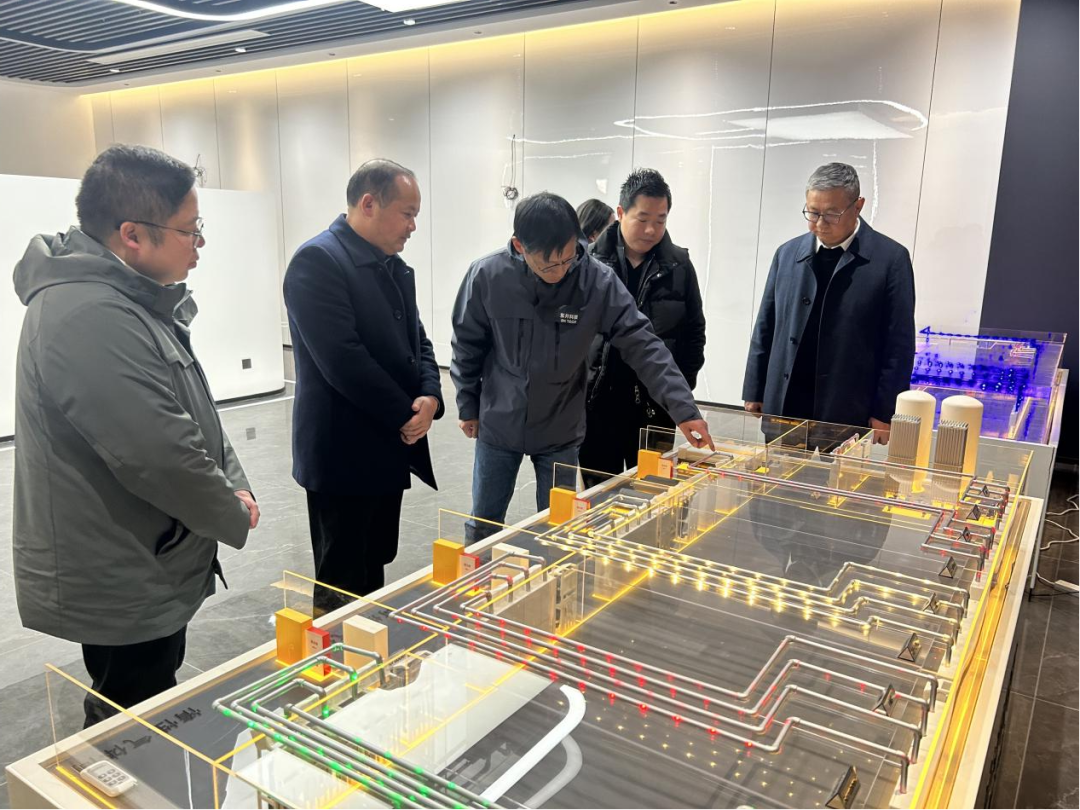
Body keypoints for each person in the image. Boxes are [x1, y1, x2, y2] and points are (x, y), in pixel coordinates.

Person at [12, 144, 259, 728]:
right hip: (121, 568)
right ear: (132, 235)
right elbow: (158, 453)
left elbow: (192, 413)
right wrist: (228, 508)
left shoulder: (130, 300)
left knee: (146, 701)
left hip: (148, 553)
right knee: (131, 720)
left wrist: (234, 480)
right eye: (190, 229)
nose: (200, 243)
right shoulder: (89, 314)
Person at [451, 192, 713, 539]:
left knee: (560, 524)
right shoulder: (487, 274)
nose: (560, 271)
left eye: (568, 258)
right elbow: (467, 346)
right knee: (485, 521)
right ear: (519, 246)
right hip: (499, 421)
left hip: (560, 427)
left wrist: (683, 408)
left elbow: (643, 343)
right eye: (548, 265)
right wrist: (467, 405)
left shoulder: (596, 280)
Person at [284, 159, 443, 613]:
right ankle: (337, 652)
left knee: (375, 561)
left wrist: (430, 397)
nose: (413, 226)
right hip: (343, 453)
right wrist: (406, 414)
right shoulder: (318, 261)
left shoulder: (389, 265)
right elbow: (343, 360)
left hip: (387, 444)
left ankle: (366, 641)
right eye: (407, 213)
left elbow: (418, 341)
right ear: (369, 204)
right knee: (342, 576)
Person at [742, 162, 915, 443]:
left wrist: (885, 411)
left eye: (832, 214)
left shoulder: (890, 260)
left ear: (858, 206)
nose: (820, 224)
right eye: (812, 213)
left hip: (847, 406)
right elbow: (766, 324)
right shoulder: (787, 254)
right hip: (786, 401)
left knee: (838, 472)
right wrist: (755, 388)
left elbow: (899, 344)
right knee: (777, 471)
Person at [580, 169, 706, 483]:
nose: (651, 230)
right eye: (643, 218)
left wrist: (680, 388)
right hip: (599, 403)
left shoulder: (679, 265)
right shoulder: (590, 263)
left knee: (654, 489)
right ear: (621, 212)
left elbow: (694, 332)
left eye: (660, 220)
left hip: (655, 408)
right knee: (599, 491)